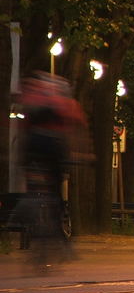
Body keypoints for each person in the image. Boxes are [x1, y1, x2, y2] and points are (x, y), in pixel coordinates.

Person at [16, 72, 89, 271]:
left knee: (32, 188)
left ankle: (28, 203)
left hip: (32, 146)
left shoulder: (32, 97)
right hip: (54, 146)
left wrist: (19, 159)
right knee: (56, 194)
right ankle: (61, 236)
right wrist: (83, 155)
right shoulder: (64, 102)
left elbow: (23, 127)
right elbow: (77, 130)